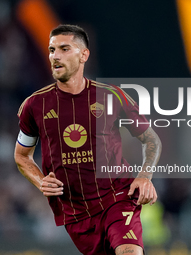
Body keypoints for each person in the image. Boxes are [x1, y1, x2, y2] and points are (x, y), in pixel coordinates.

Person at [14, 24, 162, 255]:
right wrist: (40, 181)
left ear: (84, 55)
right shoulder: (34, 106)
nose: (55, 56)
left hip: (118, 197)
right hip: (76, 211)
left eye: (64, 48)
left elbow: (151, 139)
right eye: (52, 50)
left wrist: (144, 176)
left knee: (128, 252)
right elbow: (22, 156)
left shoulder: (112, 96)